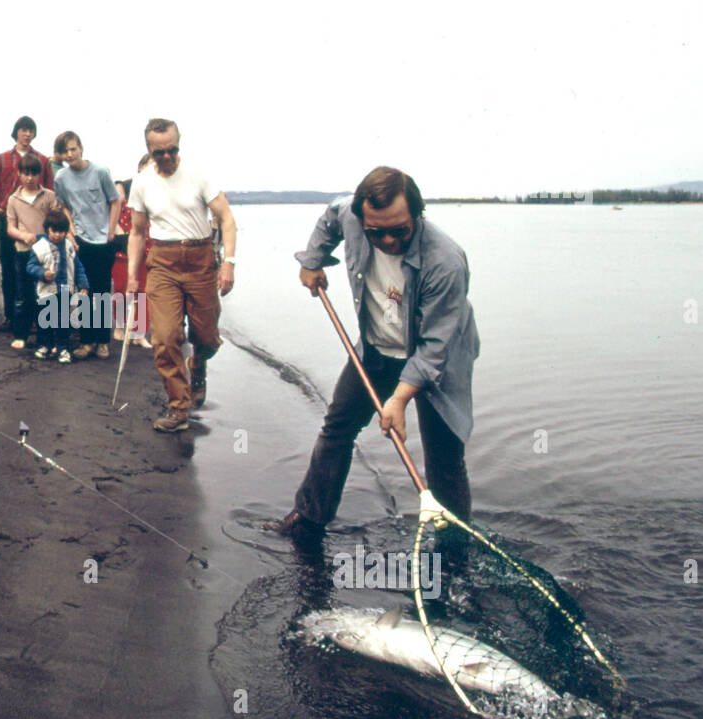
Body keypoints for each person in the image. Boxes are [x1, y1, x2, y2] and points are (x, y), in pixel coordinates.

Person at [272, 166, 479, 541]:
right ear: (363, 219)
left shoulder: (445, 262)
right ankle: (309, 517)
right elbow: (331, 217)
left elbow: (434, 348)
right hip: (377, 347)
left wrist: (399, 399)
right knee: (338, 427)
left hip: (439, 359)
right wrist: (312, 261)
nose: (387, 240)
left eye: (399, 230)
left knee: (445, 458)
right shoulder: (351, 216)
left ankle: (455, 547)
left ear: (418, 215)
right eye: (375, 231)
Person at [126, 118, 236, 432]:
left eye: (173, 150)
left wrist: (229, 262)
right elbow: (135, 232)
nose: (168, 157)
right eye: (160, 152)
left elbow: (226, 218)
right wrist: (133, 276)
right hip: (162, 263)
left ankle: (198, 364)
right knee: (164, 338)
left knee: (207, 338)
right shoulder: (142, 183)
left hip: (201, 261)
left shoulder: (198, 176)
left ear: (179, 144)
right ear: (149, 150)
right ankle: (178, 409)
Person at [53, 131, 121, 360]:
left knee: (101, 292)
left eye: (73, 149)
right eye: (65, 151)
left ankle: (103, 342)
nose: (70, 154)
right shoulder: (61, 177)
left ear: (81, 148)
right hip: (79, 240)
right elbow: (63, 206)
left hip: (103, 240)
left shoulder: (100, 171)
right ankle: (86, 341)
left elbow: (115, 201)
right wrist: (71, 230)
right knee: (83, 291)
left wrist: (111, 231)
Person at [0, 116, 55, 334]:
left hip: (36, 222)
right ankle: (12, 316)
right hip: (9, 218)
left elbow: (49, 189)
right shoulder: (2, 159)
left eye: (31, 130)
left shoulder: (43, 160)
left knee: (39, 269)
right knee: (10, 268)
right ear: (16, 133)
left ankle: (37, 319)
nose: (27, 134)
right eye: (23, 130)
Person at [5, 153, 60, 350]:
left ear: (40, 174)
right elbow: (10, 228)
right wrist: (22, 235)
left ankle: (45, 337)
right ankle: (21, 334)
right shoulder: (13, 199)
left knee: (46, 295)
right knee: (22, 295)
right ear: (19, 174)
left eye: (34, 174)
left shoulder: (49, 196)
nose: (30, 178)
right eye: (26, 173)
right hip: (23, 251)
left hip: (45, 253)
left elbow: (56, 222)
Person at [27, 210, 88, 364]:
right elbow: (30, 266)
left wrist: (83, 284)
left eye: (62, 231)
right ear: (47, 229)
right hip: (46, 291)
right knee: (45, 320)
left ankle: (63, 348)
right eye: (54, 231)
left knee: (63, 322)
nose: (58, 235)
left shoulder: (69, 246)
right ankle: (45, 345)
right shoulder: (39, 247)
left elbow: (77, 266)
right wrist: (42, 273)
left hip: (65, 290)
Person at [111, 154, 154, 348]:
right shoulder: (125, 188)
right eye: (148, 166)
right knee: (121, 289)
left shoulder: (158, 191)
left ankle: (140, 333)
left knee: (144, 292)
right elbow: (112, 211)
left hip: (148, 249)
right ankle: (120, 328)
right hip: (124, 247)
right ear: (140, 167)